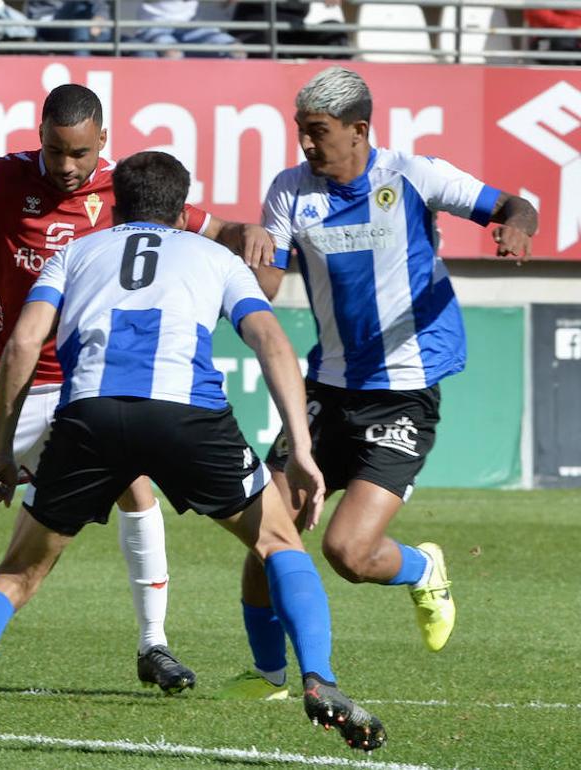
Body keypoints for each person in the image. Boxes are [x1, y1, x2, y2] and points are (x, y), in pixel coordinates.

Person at [0, 150, 386, 760]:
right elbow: (270, 339)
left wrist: (4, 450)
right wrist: (300, 447)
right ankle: (317, 677)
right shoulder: (215, 257)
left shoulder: (77, 252)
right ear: (181, 208)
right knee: (278, 543)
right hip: (186, 414)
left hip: (89, 415)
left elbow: (23, 343)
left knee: (14, 575)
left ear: (114, 204)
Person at [0, 83, 275, 698]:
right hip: (16, 383)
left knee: (136, 492)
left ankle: (155, 644)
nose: (66, 168)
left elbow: (212, 226)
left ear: (102, 140)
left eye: (78, 154)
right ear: (38, 138)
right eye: (53, 151)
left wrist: (250, 229)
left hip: (95, 380)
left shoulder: (122, 190)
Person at [215, 66, 538, 700]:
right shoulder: (289, 190)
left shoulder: (413, 175)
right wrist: (244, 260)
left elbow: (511, 204)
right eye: (301, 131)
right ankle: (268, 675)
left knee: (348, 553)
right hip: (329, 386)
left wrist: (516, 225)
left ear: (360, 129)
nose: (307, 145)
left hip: (406, 390)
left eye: (318, 133)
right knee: (266, 526)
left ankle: (422, 568)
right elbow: (271, 286)